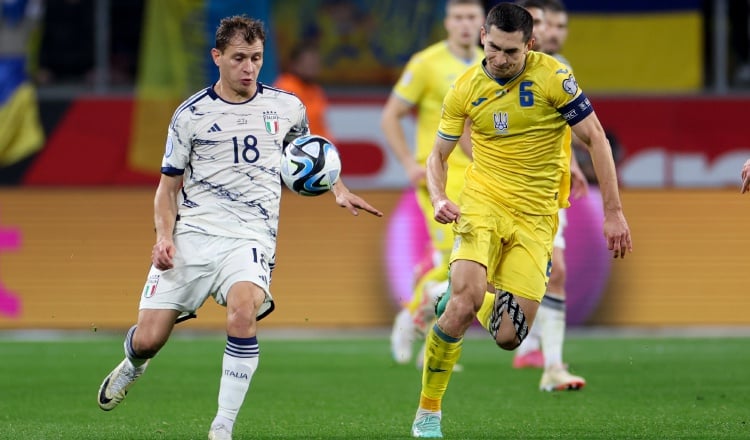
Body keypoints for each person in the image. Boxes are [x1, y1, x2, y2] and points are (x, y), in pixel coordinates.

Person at [95, 15, 382, 440]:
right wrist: (163, 237)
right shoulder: (190, 116)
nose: (249, 68)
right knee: (149, 339)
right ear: (218, 57)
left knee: (244, 311)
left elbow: (310, 155)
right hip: (193, 234)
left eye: (256, 58)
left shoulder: (287, 108)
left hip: (250, 237)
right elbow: (166, 189)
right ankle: (134, 363)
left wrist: (337, 188)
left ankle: (222, 427)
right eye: (239, 58)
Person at [409, 3, 631, 438]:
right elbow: (438, 155)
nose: (500, 59)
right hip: (482, 205)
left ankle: (453, 299)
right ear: (483, 40)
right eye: (493, 48)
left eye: (511, 51)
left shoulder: (555, 78)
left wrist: (614, 212)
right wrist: (438, 196)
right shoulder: (466, 87)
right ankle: (428, 413)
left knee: (510, 335)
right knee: (463, 302)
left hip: (536, 217)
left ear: (529, 45)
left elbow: (596, 140)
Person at [380, 0, 485, 369]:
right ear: (447, 22)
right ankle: (411, 319)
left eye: (472, 17)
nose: (465, 24)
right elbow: (391, 115)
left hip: (480, 182)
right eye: (458, 17)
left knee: (471, 264)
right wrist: (408, 162)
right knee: (448, 259)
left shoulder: (491, 64)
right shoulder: (426, 63)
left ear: (482, 22)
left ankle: (433, 338)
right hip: (438, 178)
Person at [509, 0, 589, 393]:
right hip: (498, 192)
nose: (546, 31)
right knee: (475, 285)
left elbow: (562, 124)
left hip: (546, 190)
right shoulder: (493, 68)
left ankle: (552, 365)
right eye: (538, 22)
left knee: (555, 271)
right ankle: (434, 301)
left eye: (552, 24)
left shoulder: (560, 70)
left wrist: (570, 163)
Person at [273, 41, 334, 142]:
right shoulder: (286, 87)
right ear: (294, 64)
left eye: (315, 62)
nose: (313, 66)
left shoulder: (316, 90)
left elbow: (320, 125)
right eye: (308, 62)